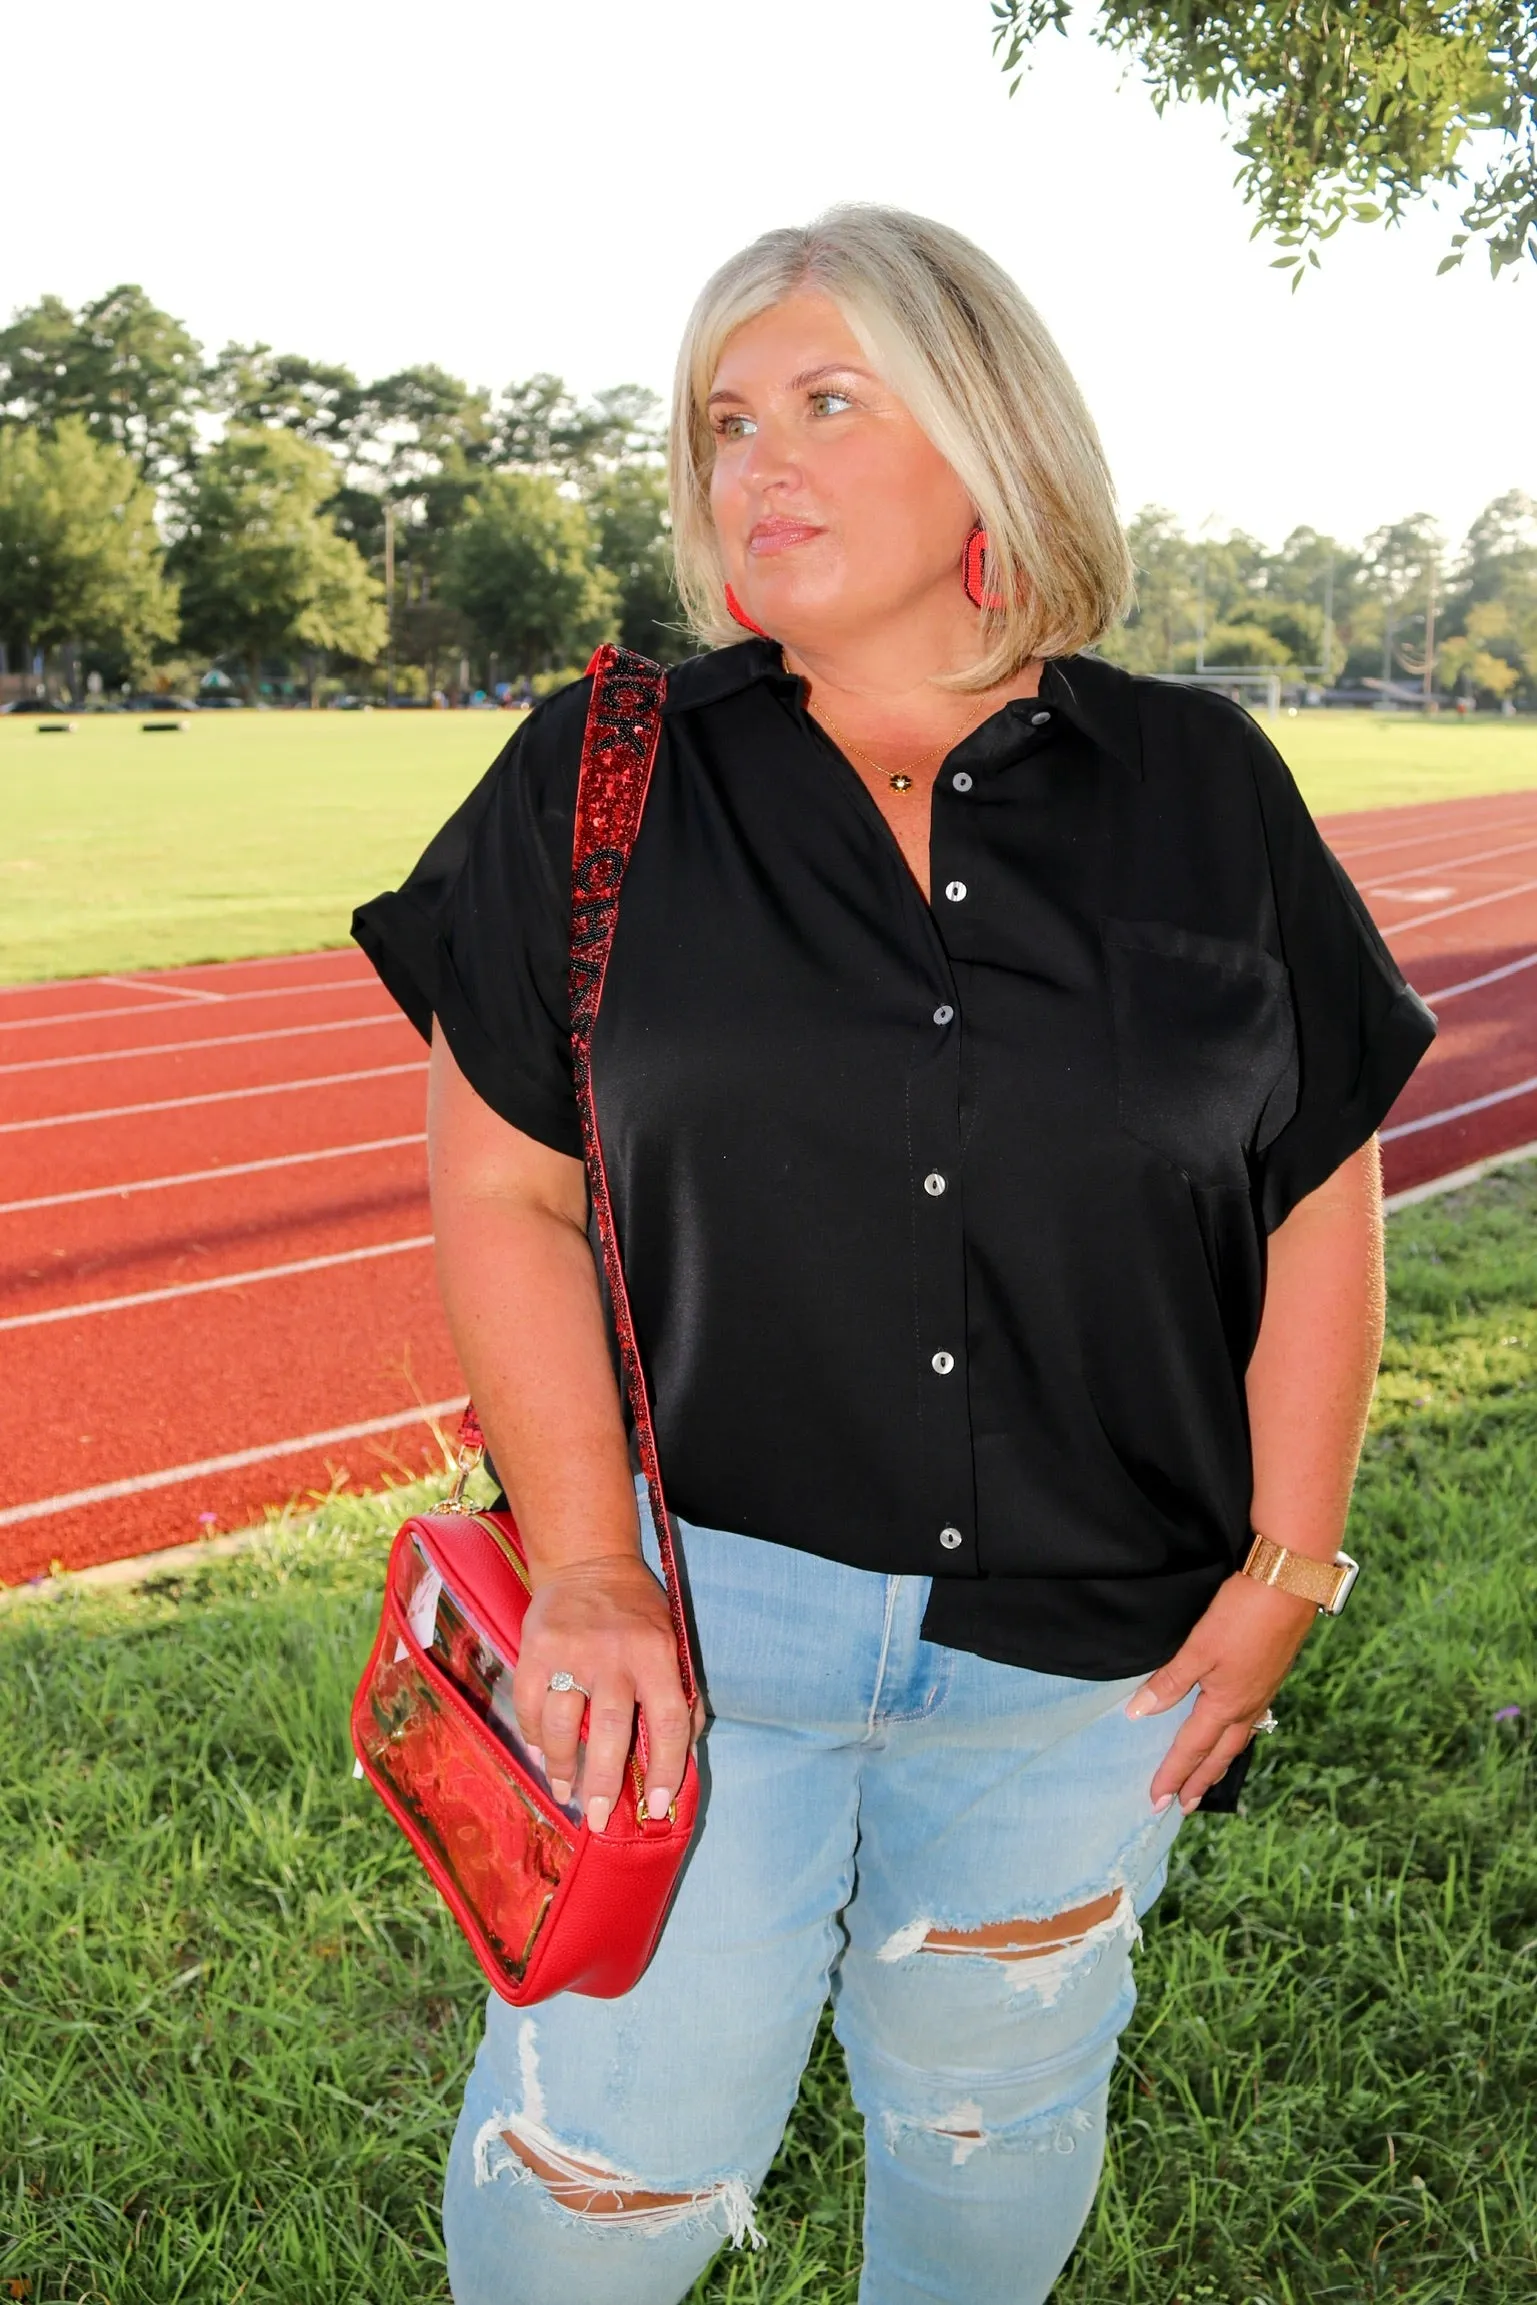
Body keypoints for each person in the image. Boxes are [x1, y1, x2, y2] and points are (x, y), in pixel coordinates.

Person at [354, 205, 1435, 2305]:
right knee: (606, 2190)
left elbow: (1314, 1186)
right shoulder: (604, 778)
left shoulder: (1203, 785)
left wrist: (1293, 1559)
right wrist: (584, 1569)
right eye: (723, 419)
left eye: (827, 402)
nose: (756, 459)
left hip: (1088, 1664)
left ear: (990, 437)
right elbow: (505, 1187)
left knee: (993, 2127)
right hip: (692, 1631)